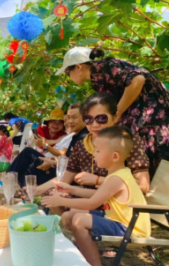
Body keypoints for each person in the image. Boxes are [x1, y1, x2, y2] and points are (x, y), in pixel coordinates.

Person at [42, 126, 151, 266]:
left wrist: (59, 200)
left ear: (114, 156)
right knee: (69, 215)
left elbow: (92, 203)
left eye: (98, 151)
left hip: (129, 228)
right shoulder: (117, 174)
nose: (94, 154)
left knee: (79, 219)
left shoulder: (116, 178)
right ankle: (83, 248)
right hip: (118, 222)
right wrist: (71, 189)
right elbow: (97, 194)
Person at [58, 47, 169, 177]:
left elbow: (138, 79)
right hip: (142, 118)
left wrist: (118, 112)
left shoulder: (104, 67)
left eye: (67, 72)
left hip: (151, 118)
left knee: (150, 162)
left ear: (78, 67)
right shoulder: (98, 77)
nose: (68, 77)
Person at [36, 93, 151, 206]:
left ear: (116, 117)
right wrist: (37, 190)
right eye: (88, 119)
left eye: (101, 118)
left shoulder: (127, 141)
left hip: (118, 204)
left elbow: (143, 186)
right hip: (88, 198)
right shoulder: (82, 145)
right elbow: (65, 178)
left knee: (76, 214)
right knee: (53, 195)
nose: (94, 125)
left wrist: (98, 180)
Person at [11, 104, 89, 187]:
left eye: (74, 117)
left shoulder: (81, 137)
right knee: (27, 160)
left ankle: (13, 183)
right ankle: (19, 186)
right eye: (68, 118)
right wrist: (52, 158)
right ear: (48, 123)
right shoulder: (72, 136)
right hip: (57, 165)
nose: (69, 122)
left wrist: (52, 162)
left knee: (28, 154)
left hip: (63, 172)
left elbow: (68, 160)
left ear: (85, 118)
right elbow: (65, 156)